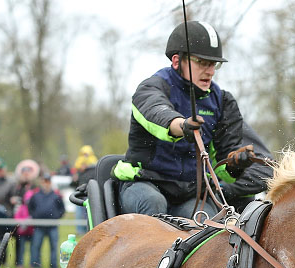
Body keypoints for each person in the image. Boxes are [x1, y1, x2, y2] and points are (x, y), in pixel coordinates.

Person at [114, 21, 266, 218]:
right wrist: (182, 126)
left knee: (206, 222)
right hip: (144, 183)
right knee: (154, 203)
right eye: (202, 62)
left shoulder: (223, 101)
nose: (210, 71)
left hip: (189, 194)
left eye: (213, 64)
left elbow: (222, 170)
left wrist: (235, 165)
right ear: (177, 61)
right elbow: (157, 112)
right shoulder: (151, 88)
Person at [27, 173, 64, 268]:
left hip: (52, 225)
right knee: (36, 246)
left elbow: (62, 209)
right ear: (41, 182)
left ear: (50, 183)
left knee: (53, 247)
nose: (46, 184)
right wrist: (35, 216)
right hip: (39, 225)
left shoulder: (56, 196)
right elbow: (30, 207)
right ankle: (35, 265)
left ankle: (53, 266)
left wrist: (56, 216)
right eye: (44, 181)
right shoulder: (35, 195)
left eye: (48, 181)